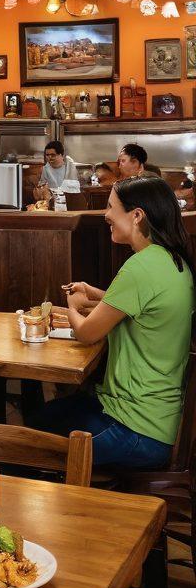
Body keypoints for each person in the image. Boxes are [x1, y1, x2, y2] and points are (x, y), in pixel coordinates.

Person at [30, 177, 194, 467]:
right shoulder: (171, 260)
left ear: (137, 215)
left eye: (110, 206)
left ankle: (66, 503)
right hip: (157, 417)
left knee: (26, 443)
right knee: (44, 417)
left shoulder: (140, 267)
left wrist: (71, 305)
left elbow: (86, 333)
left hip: (136, 430)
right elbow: (142, 306)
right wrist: (95, 294)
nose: (105, 215)